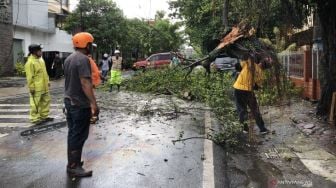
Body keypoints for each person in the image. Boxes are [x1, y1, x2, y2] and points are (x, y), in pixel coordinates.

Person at [63, 32, 99, 177]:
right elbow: (85, 83)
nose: (91, 47)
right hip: (79, 104)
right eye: (90, 44)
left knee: (73, 133)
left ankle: (73, 162)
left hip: (69, 102)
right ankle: (74, 166)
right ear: (86, 44)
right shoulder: (83, 59)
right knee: (78, 135)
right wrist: (94, 104)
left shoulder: (69, 59)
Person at [233, 53, 269, 135]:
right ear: (265, 68)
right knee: (255, 110)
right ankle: (262, 129)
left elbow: (237, 66)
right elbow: (256, 87)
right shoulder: (262, 75)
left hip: (238, 89)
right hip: (249, 92)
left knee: (242, 110)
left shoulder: (249, 63)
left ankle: (245, 129)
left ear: (260, 63)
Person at [25, 44, 53, 125]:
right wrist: (31, 87)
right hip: (36, 87)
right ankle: (35, 119)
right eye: (39, 50)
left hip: (44, 86)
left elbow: (45, 73)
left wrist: (48, 81)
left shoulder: (41, 60)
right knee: (35, 103)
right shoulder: (30, 62)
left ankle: (44, 116)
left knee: (46, 101)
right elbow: (29, 77)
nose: (41, 52)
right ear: (34, 52)